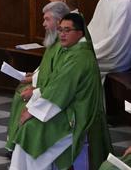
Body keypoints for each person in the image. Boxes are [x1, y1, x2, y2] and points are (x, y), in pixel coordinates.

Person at [9, 13, 111, 170]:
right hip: (66, 106)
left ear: (80, 32)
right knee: (29, 128)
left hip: (78, 114)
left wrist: (32, 111)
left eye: (67, 30)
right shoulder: (71, 51)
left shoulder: (79, 57)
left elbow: (61, 90)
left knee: (31, 131)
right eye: (60, 30)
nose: (62, 34)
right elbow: (55, 84)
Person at [5, 0, 70, 153]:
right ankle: (15, 145)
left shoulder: (64, 46)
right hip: (45, 88)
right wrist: (34, 76)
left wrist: (35, 90)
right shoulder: (54, 40)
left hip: (54, 97)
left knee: (23, 97)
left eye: (47, 19)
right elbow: (46, 68)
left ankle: (21, 147)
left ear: (59, 21)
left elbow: (59, 80)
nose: (43, 24)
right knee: (21, 91)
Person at [88, 0, 131, 79]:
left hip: (114, 59)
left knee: (75, 63)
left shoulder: (125, 2)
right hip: (102, 52)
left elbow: (114, 41)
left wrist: (89, 52)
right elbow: (92, 30)